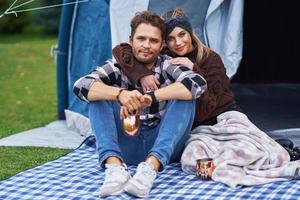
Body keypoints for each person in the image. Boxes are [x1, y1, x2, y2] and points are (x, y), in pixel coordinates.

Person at [73, 11, 207, 198]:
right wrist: (120, 95)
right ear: (131, 40)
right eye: (141, 38)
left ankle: (149, 170)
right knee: (97, 94)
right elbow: (81, 86)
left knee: (185, 95)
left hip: (164, 147)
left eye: (153, 41)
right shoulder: (117, 67)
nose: (146, 45)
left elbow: (198, 84)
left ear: (161, 45)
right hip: (126, 144)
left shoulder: (167, 65)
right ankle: (114, 168)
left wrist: (150, 97)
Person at [113, 8, 241, 130]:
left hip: (219, 115)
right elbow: (120, 50)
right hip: (186, 120)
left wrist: (194, 68)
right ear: (164, 42)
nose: (178, 42)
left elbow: (206, 107)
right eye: (170, 39)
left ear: (190, 33)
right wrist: (142, 74)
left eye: (182, 34)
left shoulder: (210, 58)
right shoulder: (165, 53)